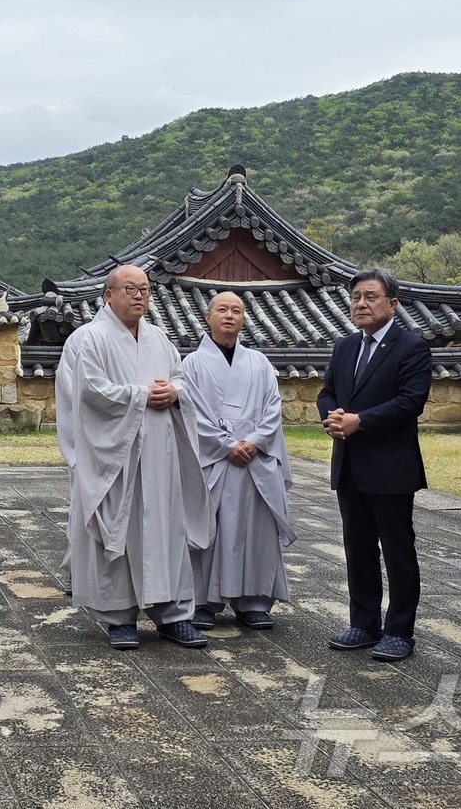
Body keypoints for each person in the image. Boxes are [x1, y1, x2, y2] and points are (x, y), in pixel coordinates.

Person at [56, 265, 209, 650]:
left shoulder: (159, 338)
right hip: (112, 458)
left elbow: (182, 378)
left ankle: (173, 614)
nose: (140, 295)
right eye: (130, 288)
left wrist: (175, 392)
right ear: (108, 295)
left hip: (159, 456)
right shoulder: (87, 339)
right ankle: (118, 616)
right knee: (116, 531)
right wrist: (142, 395)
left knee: (165, 530)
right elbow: (90, 392)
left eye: (145, 289)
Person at [317, 268, 432, 662]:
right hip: (349, 463)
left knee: (398, 550)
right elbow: (328, 391)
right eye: (355, 298)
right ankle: (364, 622)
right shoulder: (345, 347)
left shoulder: (411, 348)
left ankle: (400, 630)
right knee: (358, 547)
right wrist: (331, 415)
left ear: (392, 304)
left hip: (390, 467)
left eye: (370, 297)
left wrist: (359, 421)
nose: (360, 304)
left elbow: (410, 401)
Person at [182, 292, 296, 630]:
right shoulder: (192, 365)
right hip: (216, 461)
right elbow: (193, 414)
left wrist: (254, 442)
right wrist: (227, 445)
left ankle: (254, 601)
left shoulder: (259, 362)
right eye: (222, 309)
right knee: (210, 529)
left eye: (237, 310)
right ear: (208, 316)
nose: (229, 315)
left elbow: (273, 409)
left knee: (256, 530)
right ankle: (204, 602)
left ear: (244, 319)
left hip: (255, 460)